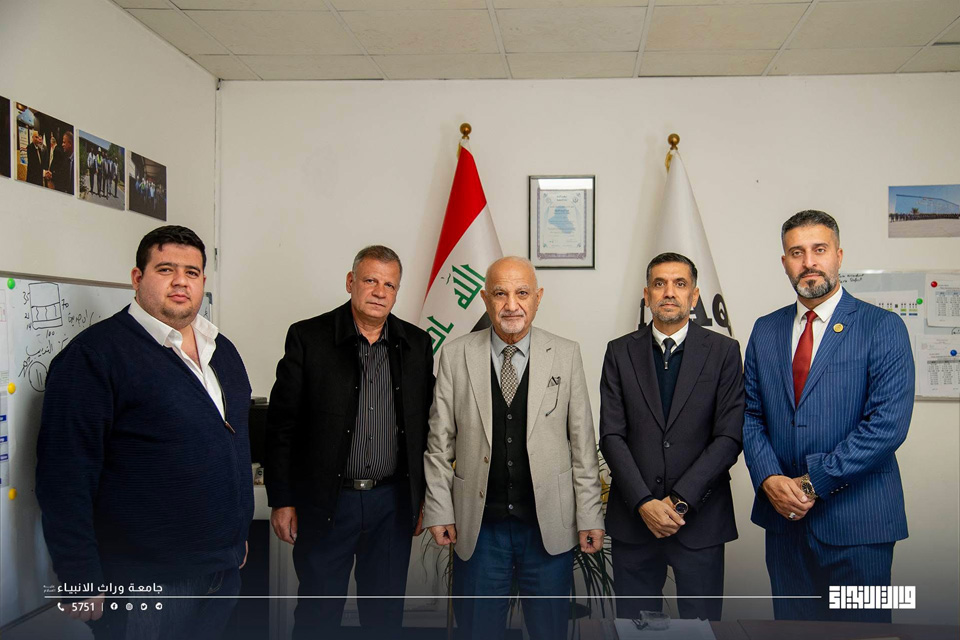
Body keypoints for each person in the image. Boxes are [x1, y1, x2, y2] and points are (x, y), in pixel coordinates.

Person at [36, 225, 254, 640]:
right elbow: (64, 475)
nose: (180, 282)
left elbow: (235, 442)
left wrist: (237, 531)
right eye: (166, 269)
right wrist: (78, 572)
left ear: (203, 282)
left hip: (220, 569)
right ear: (138, 278)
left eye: (191, 272)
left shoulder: (220, 349)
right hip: (145, 580)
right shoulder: (94, 357)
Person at [742, 210, 914, 622]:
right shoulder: (765, 330)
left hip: (860, 525)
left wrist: (809, 483)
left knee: (863, 634)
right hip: (784, 524)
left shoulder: (882, 326)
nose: (809, 262)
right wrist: (769, 479)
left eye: (819, 250)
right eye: (796, 253)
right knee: (792, 633)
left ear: (838, 255)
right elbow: (749, 415)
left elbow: (887, 426)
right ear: (784, 262)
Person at [423, 256, 605, 640]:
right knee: (478, 632)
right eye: (500, 294)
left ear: (538, 298)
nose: (511, 305)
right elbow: (438, 445)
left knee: (549, 632)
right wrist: (439, 509)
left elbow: (583, 447)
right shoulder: (455, 355)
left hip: (547, 527)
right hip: (479, 529)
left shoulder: (566, 354)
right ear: (485, 299)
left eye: (522, 293)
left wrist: (590, 515)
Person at [266, 245, 435, 639]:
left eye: (389, 285)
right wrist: (282, 499)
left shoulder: (417, 344)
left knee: (385, 617)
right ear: (350, 282)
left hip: (391, 504)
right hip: (327, 502)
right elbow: (281, 425)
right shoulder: (308, 337)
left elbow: (428, 428)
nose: (379, 291)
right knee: (318, 615)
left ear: (397, 292)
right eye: (370, 280)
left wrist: (423, 497)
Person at [600, 252, 744, 622]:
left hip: (700, 520)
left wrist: (679, 502)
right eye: (660, 284)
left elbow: (728, 437)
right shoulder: (619, 351)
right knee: (633, 628)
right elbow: (612, 436)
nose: (669, 292)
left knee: (703, 628)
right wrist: (645, 503)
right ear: (646, 294)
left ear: (694, 296)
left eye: (680, 284)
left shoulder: (724, 352)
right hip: (635, 520)